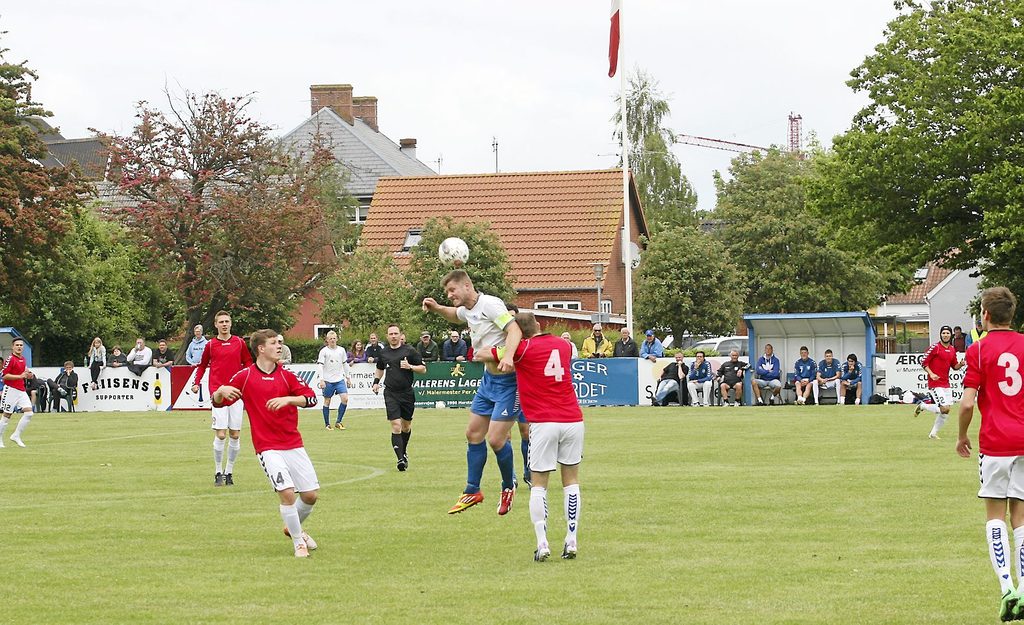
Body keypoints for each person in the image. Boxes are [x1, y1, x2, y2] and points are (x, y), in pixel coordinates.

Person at [477, 312, 583, 561]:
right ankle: (571, 539)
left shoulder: (521, 350)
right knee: (571, 482)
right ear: (538, 324)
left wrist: (504, 342)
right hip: (573, 419)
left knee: (539, 485)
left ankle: (542, 543)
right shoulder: (564, 345)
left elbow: (480, 354)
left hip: (544, 422)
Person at [212, 329, 321, 558]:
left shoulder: (287, 375)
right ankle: (298, 543)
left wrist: (289, 399)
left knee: (310, 495)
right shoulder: (245, 376)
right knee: (287, 494)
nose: (279, 346)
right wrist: (220, 391)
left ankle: (292, 528)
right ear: (261, 349)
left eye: (279, 342)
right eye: (274, 343)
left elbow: (311, 398)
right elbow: (218, 402)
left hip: (293, 443)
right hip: (267, 447)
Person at [422, 269, 523, 515]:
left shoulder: (490, 304)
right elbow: (455, 316)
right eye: (447, 292)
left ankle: (508, 486)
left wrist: (508, 356)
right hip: (489, 381)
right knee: (473, 434)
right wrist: (437, 308)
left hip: (510, 383)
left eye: (452, 290)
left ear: (467, 286)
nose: (449, 295)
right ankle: (472, 491)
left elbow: (515, 330)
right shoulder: (468, 309)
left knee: (496, 440)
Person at [955, 287, 1024, 620]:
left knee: (995, 515)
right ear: (1012, 314)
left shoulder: (978, 350)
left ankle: (1007, 588)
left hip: (995, 442)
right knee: (1021, 517)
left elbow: (968, 403)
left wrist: (961, 436)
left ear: (984, 315)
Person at [191, 310, 254, 486]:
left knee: (234, 434)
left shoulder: (239, 342)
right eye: (221, 322)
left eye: (227, 321)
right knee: (220, 435)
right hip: (217, 393)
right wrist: (196, 383)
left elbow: (248, 362)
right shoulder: (211, 345)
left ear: (230, 323)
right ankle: (218, 471)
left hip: (236, 392)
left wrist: (248, 380)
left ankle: (229, 472)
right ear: (216, 325)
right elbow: (202, 365)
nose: (224, 324)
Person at [372, 323, 426, 471]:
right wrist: (376, 382)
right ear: (387, 336)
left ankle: (404, 451)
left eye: (396, 333)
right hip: (390, 393)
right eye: (391, 334)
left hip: (407, 393)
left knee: (406, 426)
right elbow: (379, 368)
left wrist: (410, 367)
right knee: (396, 425)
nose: (393, 336)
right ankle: (400, 459)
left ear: (400, 335)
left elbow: (423, 369)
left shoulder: (410, 351)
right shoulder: (384, 353)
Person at [914, 324, 966, 438]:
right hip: (935, 383)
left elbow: (954, 366)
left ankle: (933, 434)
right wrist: (931, 374)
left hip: (946, 383)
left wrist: (960, 364)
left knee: (946, 411)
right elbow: (923, 362)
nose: (945, 335)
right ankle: (923, 406)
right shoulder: (935, 347)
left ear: (951, 335)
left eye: (947, 333)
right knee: (944, 408)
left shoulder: (952, 349)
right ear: (940, 335)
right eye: (943, 333)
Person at [0, 338, 35, 447]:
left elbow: (25, 370)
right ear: (12, 347)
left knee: (29, 413)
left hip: (21, 390)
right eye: (17, 345)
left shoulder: (23, 359)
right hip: (10, 390)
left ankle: (16, 435)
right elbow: (4, 375)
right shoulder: (10, 359)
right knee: (7, 416)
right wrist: (19, 376)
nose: (19, 347)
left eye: (21, 345)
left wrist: (29, 374)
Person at [316, 330, 351, 430]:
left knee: (345, 399)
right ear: (327, 340)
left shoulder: (341, 350)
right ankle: (327, 424)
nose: (332, 340)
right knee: (327, 401)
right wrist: (321, 379)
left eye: (334, 338)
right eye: (330, 339)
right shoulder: (324, 351)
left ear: (337, 339)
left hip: (339, 379)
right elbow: (320, 366)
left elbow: (345, 364)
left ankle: (338, 422)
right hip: (328, 380)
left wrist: (348, 377)